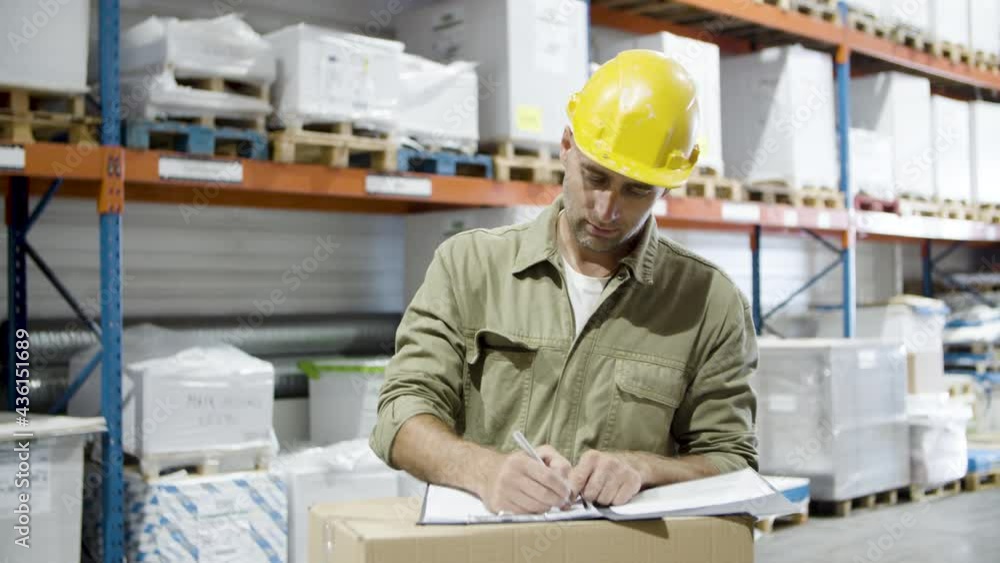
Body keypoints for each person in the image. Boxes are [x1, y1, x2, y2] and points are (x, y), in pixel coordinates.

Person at [370, 50, 757, 515]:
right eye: (595, 177)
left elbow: (733, 460)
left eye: (636, 190)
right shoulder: (469, 266)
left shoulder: (708, 304)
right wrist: (484, 471)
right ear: (567, 146)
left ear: (668, 185)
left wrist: (645, 467)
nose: (607, 210)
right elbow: (399, 414)